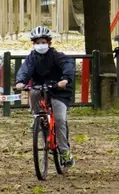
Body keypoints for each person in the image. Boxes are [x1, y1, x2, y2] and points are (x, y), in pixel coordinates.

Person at [15, 26, 75, 168]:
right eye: (37, 42)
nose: (40, 45)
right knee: (33, 92)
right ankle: (37, 117)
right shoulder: (32, 58)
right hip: (40, 88)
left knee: (59, 120)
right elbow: (25, 69)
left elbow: (68, 65)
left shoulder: (57, 56)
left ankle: (64, 152)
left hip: (59, 91)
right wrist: (20, 81)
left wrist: (65, 79)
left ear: (49, 42)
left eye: (43, 42)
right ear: (33, 44)